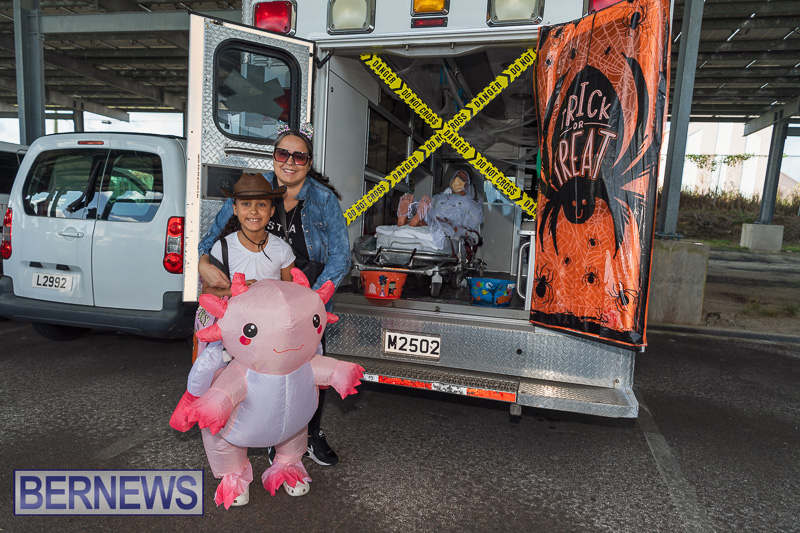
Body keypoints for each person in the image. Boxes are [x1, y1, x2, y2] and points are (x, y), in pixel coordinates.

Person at [198, 122, 351, 467]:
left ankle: (307, 435)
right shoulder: (253, 193)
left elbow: (341, 257)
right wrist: (203, 264)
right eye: (284, 153)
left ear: (309, 163)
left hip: (305, 291)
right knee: (246, 371)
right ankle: (263, 433)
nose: (290, 162)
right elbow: (208, 243)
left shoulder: (324, 199)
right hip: (253, 301)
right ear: (274, 157)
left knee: (306, 369)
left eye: (300, 157)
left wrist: (312, 301)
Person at [202, 172, 295, 299]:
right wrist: (234, 291)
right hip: (237, 318)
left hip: (272, 317)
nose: (253, 211)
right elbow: (207, 291)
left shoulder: (283, 249)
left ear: (271, 211)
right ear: (235, 209)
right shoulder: (223, 247)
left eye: (261, 204)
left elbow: (290, 293)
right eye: (246, 204)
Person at [396, 169, 484, 249]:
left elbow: (471, 232)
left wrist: (449, 223)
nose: (458, 178)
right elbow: (426, 212)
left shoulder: (471, 206)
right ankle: (411, 219)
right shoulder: (438, 199)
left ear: (468, 184)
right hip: (430, 224)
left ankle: (408, 222)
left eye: (462, 177)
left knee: (431, 226)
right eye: (456, 176)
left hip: (449, 230)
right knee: (423, 221)